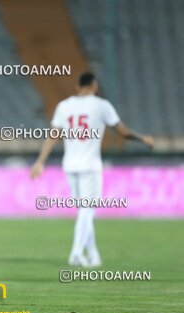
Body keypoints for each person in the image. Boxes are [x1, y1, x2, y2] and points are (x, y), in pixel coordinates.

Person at [30, 72, 154, 267]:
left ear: (78, 87)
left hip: (70, 165)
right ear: (94, 87)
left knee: (84, 211)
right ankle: (76, 253)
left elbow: (53, 135)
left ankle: (94, 255)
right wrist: (142, 139)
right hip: (90, 166)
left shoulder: (64, 106)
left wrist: (40, 161)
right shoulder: (101, 106)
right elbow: (122, 131)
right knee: (87, 211)